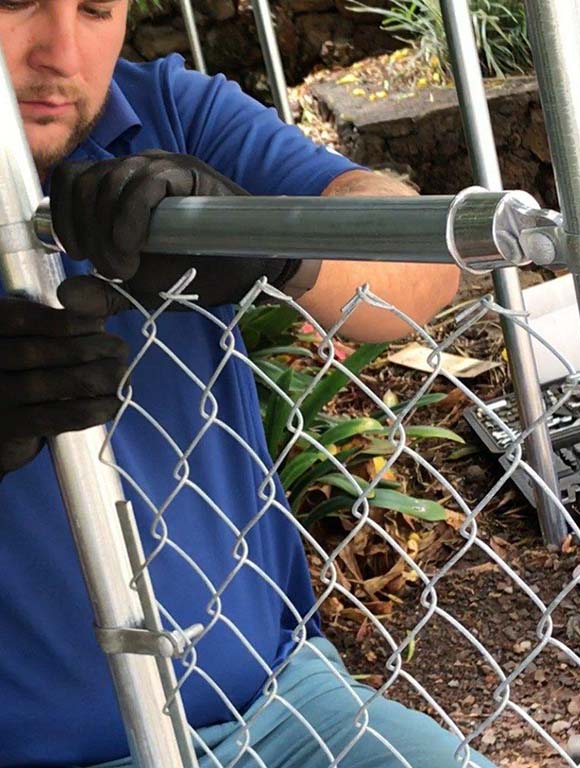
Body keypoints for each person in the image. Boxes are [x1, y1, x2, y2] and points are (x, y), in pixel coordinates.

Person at [0, 1, 493, 766]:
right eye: (18, 1)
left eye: (96, 8)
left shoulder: (165, 111)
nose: (61, 51)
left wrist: (277, 244)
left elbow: (428, 258)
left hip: (281, 707)